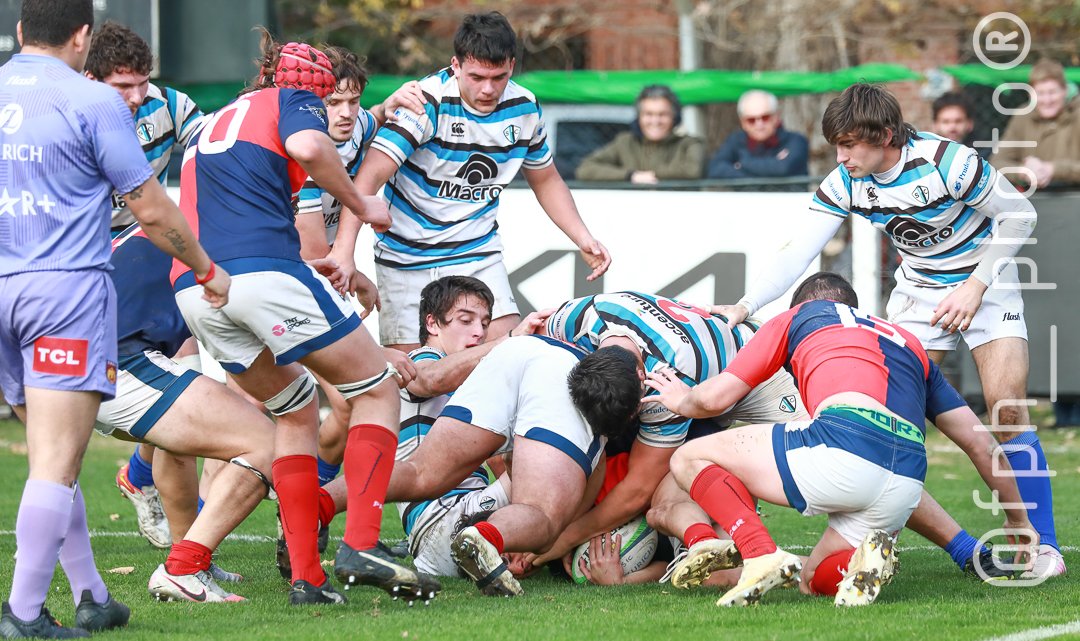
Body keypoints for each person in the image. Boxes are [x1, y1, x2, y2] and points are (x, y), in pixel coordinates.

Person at [710, 82, 1064, 579]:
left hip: (989, 281)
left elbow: (1019, 214)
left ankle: (1042, 547)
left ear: (887, 135)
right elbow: (799, 249)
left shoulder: (948, 162)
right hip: (919, 294)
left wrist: (976, 286)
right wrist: (745, 304)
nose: (842, 155)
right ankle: (915, 545)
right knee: (883, 420)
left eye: (851, 144)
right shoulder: (847, 180)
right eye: (837, 143)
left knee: (1005, 408)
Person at [170, 34, 430, 606]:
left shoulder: (217, 120)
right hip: (260, 273)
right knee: (378, 390)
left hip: (196, 290)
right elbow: (311, 146)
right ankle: (362, 543)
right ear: (299, 87)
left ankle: (307, 582)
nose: (332, 109)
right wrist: (364, 205)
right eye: (327, 99)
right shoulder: (291, 99)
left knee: (293, 412)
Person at [0, 0, 228, 637]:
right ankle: (21, 615)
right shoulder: (92, 100)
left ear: (20, 32)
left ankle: (93, 596)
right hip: (63, 292)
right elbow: (151, 209)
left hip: (3, 287)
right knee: (54, 461)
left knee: (54, 455)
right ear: (82, 36)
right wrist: (208, 270)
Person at [646, 273, 1035, 607]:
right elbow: (981, 444)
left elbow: (714, 400)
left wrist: (682, 399)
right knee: (812, 580)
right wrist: (1018, 519)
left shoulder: (796, 317)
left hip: (844, 445)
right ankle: (861, 564)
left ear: (799, 304)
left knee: (689, 458)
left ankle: (758, 552)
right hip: (906, 482)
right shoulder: (909, 343)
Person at [345, 11, 611, 352]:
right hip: (406, 256)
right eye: (476, 76)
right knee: (414, 378)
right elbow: (368, 178)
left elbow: (545, 180)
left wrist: (583, 237)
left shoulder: (524, 108)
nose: (487, 89)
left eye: (497, 77)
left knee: (506, 356)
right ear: (455, 65)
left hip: (475, 250)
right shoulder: (425, 101)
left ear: (511, 66)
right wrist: (344, 254)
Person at [527, 291, 807, 570]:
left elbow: (639, 487)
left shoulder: (666, 378)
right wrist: (515, 335)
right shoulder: (578, 320)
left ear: (641, 380)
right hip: (698, 376)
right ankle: (712, 541)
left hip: (760, 369)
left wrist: (562, 539)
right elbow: (528, 337)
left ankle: (796, 552)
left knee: (819, 460)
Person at [102, 226, 277, 603]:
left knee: (179, 441)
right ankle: (183, 568)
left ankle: (189, 553)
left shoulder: (158, 229)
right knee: (267, 444)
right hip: (117, 361)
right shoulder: (224, 232)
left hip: (77, 357)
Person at [85, 19, 207, 552]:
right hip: (83, 259)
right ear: (90, 79)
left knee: (186, 367)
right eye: (122, 87)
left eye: (143, 84)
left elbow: (213, 153)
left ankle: (143, 472)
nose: (137, 98)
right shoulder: (70, 115)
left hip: (145, 249)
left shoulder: (171, 106)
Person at [575, 85, 703, 183]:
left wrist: (650, 176)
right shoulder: (624, 142)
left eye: (662, 114)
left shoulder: (690, 144)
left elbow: (693, 170)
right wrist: (631, 175)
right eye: (649, 114)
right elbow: (585, 169)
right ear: (639, 117)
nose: (655, 121)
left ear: (674, 117)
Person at [992, 58, 1080, 189]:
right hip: (1033, 198)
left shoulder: (1077, 115)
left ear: (1064, 91)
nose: (1047, 100)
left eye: (1052, 92)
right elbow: (997, 163)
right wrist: (1024, 172)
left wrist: (1052, 169)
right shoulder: (1022, 116)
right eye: (1040, 93)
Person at [706, 90, 809, 180]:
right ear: (743, 122)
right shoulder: (736, 141)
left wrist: (742, 164)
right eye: (751, 120)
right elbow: (715, 169)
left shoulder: (796, 141)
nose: (759, 124)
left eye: (765, 117)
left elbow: (783, 168)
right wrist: (767, 171)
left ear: (776, 117)